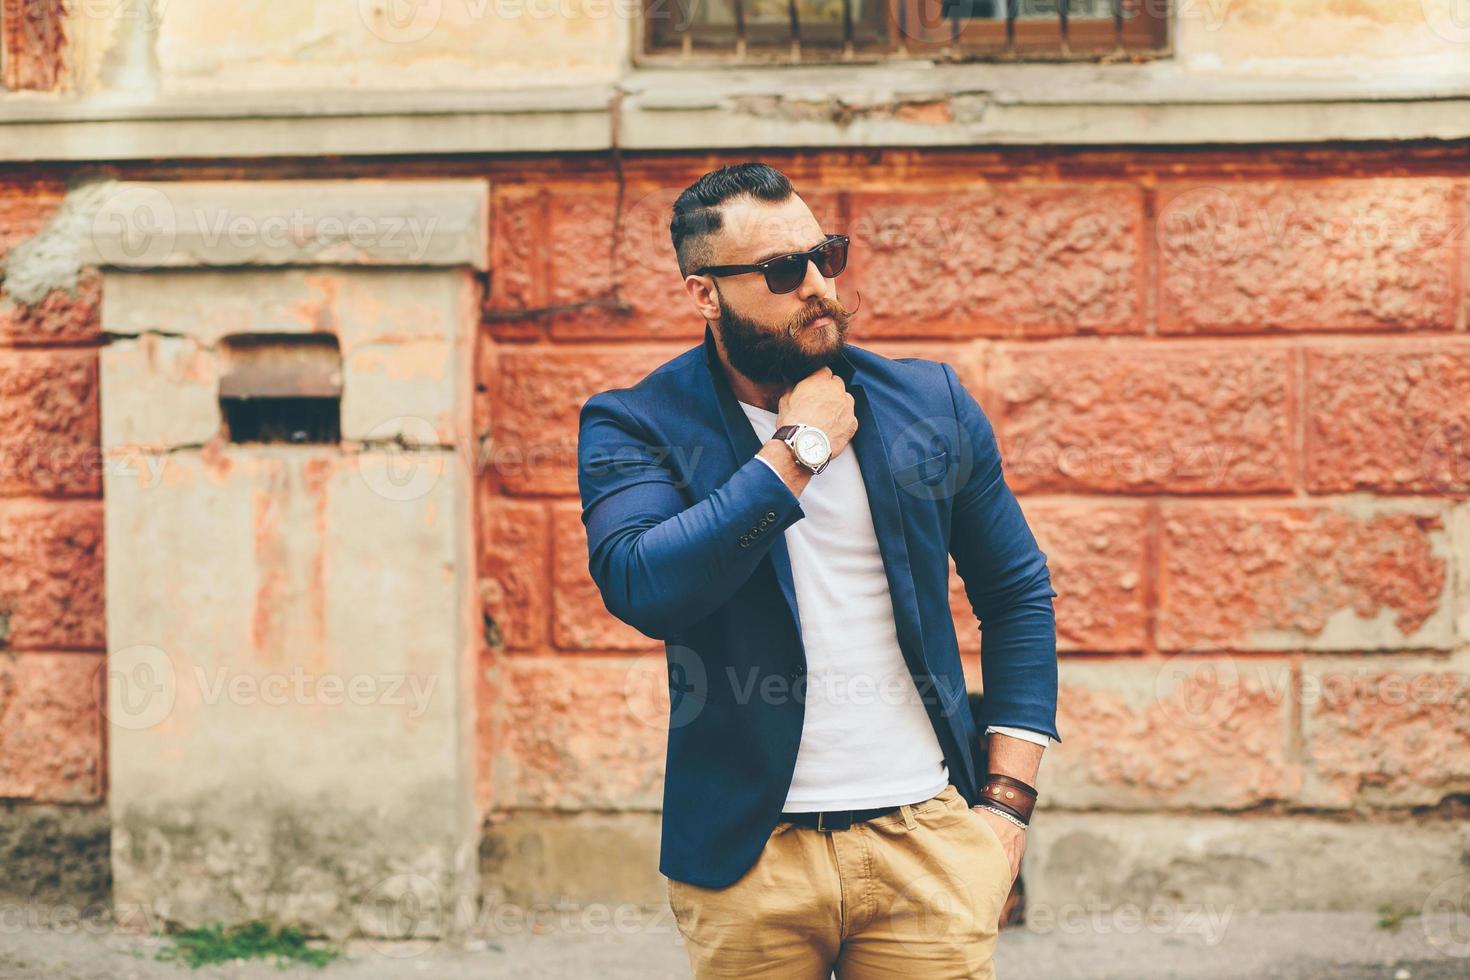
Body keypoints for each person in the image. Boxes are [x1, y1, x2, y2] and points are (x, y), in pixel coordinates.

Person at [576, 161, 1061, 979]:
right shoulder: (637, 422)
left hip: (925, 839)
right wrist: (794, 455)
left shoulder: (928, 404)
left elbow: (1016, 596)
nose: (816, 285)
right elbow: (645, 586)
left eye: (823, 255)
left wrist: (1006, 807)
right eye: (780, 270)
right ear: (705, 294)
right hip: (749, 857)